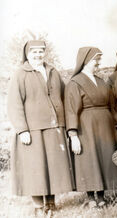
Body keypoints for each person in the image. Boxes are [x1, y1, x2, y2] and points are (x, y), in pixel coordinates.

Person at [7, 40, 74, 215]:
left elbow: (63, 95)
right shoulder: (20, 74)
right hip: (32, 130)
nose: (38, 55)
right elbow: (14, 104)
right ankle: (38, 205)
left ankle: (51, 203)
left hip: (53, 127)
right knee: (35, 167)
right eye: (34, 52)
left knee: (52, 166)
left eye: (41, 52)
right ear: (27, 54)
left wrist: (63, 123)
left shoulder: (52, 71)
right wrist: (22, 130)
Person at [65, 47, 117, 208]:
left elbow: (111, 105)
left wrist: (115, 125)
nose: (98, 63)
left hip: (105, 126)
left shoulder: (101, 81)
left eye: (99, 60)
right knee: (89, 160)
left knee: (103, 158)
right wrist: (73, 135)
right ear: (85, 61)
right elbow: (70, 110)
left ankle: (102, 196)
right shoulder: (75, 83)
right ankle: (90, 198)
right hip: (86, 127)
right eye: (96, 60)